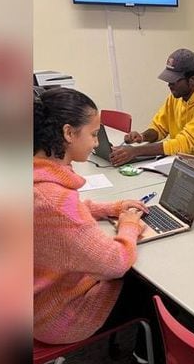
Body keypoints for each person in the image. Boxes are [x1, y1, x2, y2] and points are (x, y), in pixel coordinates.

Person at [34, 87, 151, 344]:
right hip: (54, 315)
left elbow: (55, 217)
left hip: (33, 301)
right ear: (68, 133)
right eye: (94, 134)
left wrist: (106, 209)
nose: (97, 143)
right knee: (150, 292)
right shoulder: (54, 200)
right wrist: (129, 226)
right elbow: (116, 261)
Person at [110, 48, 194, 165]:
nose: (169, 84)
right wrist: (142, 136)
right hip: (180, 162)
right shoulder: (176, 97)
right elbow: (160, 128)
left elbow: (185, 143)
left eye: (174, 80)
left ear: (192, 80)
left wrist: (136, 151)